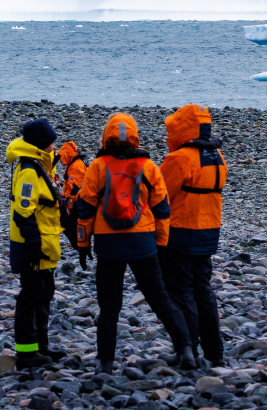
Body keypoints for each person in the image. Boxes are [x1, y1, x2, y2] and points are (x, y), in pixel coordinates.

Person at [75, 113, 195, 374]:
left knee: (109, 307)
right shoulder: (148, 166)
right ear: (135, 137)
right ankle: (186, 350)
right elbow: (162, 210)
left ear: (106, 136)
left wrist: (82, 245)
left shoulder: (98, 166)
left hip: (108, 243)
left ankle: (105, 363)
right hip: (143, 241)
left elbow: (85, 209)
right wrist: (161, 245)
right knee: (160, 298)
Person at [159, 104, 228, 366]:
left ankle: (187, 350)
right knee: (203, 289)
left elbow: (160, 196)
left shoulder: (180, 158)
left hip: (181, 231)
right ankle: (215, 353)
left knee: (180, 290)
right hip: (209, 231)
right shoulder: (217, 155)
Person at [6, 119, 64, 369]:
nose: (55, 145)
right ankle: (27, 351)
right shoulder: (30, 169)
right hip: (33, 244)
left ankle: (41, 345)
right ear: (40, 144)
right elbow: (24, 211)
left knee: (45, 292)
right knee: (31, 295)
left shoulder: (41, 165)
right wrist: (33, 243)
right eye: (51, 141)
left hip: (45, 242)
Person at [57, 140, 87, 232]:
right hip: (81, 199)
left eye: (62, 158)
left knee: (69, 225)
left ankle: (78, 240)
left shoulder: (76, 166)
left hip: (77, 202)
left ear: (67, 155)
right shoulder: (76, 163)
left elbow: (74, 187)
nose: (61, 161)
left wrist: (67, 202)